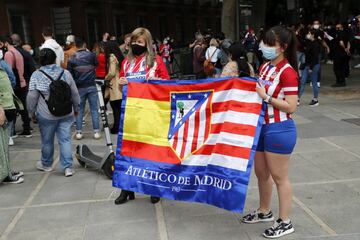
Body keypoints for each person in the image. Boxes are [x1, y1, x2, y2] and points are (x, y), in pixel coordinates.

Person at [242, 26, 298, 239]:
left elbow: (291, 106)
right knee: (262, 174)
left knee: (280, 177)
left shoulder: (288, 72)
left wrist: (266, 98)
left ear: (282, 47)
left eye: (269, 43)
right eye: (263, 42)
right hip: (261, 127)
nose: (263, 47)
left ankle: (285, 221)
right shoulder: (266, 67)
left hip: (279, 129)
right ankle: (264, 211)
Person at [114, 27, 169, 205]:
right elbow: (122, 86)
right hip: (131, 112)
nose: (136, 45)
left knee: (152, 152)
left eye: (140, 42)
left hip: (152, 113)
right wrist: (122, 83)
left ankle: (154, 187)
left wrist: (158, 82)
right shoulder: (126, 63)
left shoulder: (156, 61)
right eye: (134, 41)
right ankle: (126, 188)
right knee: (128, 151)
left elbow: (168, 84)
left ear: (147, 44)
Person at [27, 48, 80, 177]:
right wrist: (77, 109)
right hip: (66, 113)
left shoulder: (36, 75)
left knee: (47, 140)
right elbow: (75, 93)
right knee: (65, 139)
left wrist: (31, 113)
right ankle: (67, 167)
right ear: (55, 58)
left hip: (46, 114)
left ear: (40, 60)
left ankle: (46, 164)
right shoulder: (65, 73)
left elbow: (32, 97)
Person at [67, 37, 100, 140]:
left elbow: (70, 74)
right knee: (94, 109)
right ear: (85, 45)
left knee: (79, 110)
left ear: (75, 46)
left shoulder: (72, 58)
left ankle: (79, 133)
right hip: (91, 85)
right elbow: (96, 65)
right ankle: (96, 132)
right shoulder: (92, 55)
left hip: (79, 87)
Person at [0, 35, 32, 138]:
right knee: (23, 107)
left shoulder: (9, 54)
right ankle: (27, 129)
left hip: (16, 85)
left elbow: (8, 72)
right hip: (22, 82)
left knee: (12, 108)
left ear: (5, 43)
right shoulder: (18, 52)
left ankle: (11, 133)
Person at [0, 64, 24, 184]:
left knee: (4, 145)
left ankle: (6, 171)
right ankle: (4, 175)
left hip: (6, 108)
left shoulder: (2, 67)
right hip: (2, 110)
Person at [104, 40, 124, 134]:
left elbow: (111, 72)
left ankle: (116, 127)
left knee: (115, 107)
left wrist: (106, 78)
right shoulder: (119, 56)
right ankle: (120, 125)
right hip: (119, 83)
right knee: (119, 107)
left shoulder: (111, 57)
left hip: (114, 84)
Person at [298, 29, 321, 106]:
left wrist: (311, 68)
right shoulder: (309, 42)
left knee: (314, 82)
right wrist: (297, 35)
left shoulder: (316, 44)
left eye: (309, 33)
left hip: (313, 66)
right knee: (302, 82)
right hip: (308, 65)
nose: (308, 34)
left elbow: (315, 57)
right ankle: (297, 99)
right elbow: (302, 43)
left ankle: (315, 99)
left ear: (313, 35)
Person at [332, 23, 350, 87]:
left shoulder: (339, 34)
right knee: (342, 68)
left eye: (338, 28)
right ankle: (342, 81)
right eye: (336, 28)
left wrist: (344, 48)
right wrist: (347, 49)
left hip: (339, 54)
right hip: (343, 54)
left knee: (336, 68)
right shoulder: (345, 33)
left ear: (341, 28)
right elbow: (348, 42)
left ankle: (339, 81)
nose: (337, 29)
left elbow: (341, 42)